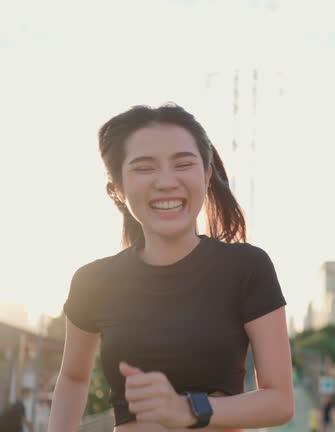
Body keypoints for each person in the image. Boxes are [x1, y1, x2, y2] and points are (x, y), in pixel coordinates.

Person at [48, 104, 294, 431]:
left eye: (183, 164)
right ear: (117, 189)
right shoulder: (93, 281)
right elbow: (73, 379)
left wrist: (190, 409)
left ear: (207, 176)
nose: (166, 181)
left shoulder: (248, 267)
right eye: (144, 168)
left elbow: (280, 401)